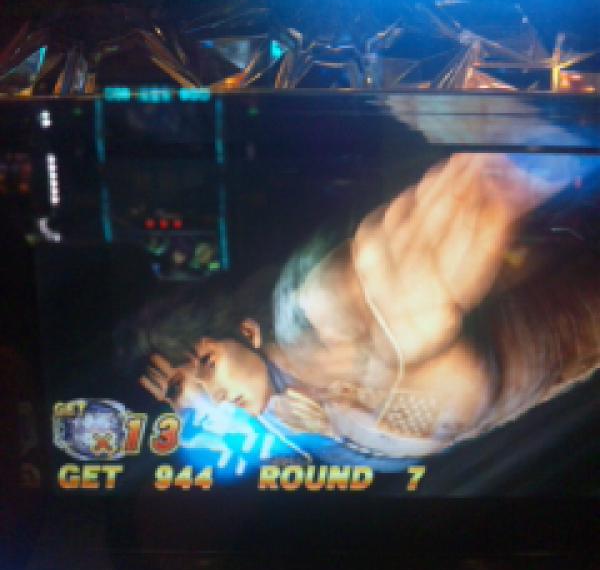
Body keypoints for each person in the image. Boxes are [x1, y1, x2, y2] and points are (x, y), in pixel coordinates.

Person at [136, 151, 600, 460]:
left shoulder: (326, 309)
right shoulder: (307, 418)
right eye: (191, 404)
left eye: (207, 365)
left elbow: (502, 177)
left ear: (245, 331)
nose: (215, 397)